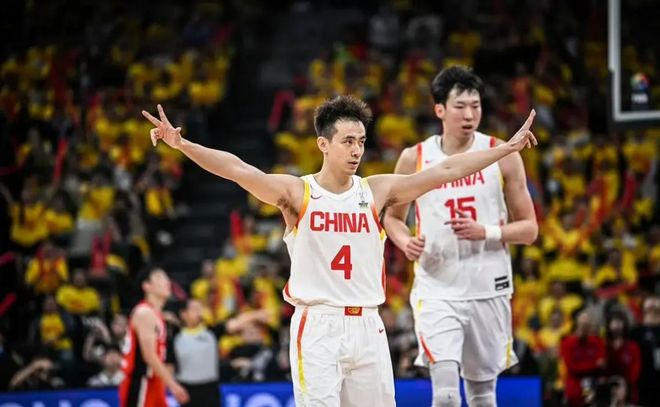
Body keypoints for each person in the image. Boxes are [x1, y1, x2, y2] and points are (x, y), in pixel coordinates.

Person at [143, 96, 537, 406]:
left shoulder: (376, 190)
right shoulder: (299, 192)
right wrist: (182, 144)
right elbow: (238, 169)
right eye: (348, 141)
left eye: (362, 142)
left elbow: (445, 171)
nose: (356, 150)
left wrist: (505, 150)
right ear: (323, 144)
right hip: (319, 324)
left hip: (368, 325)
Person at [383, 65, 538, 407]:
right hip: (436, 288)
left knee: (483, 396)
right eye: (460, 106)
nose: (469, 115)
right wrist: (405, 241)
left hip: (488, 286)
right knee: (447, 396)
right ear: (439, 109)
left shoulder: (503, 154)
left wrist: (488, 232)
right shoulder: (414, 158)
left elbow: (530, 229)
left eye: (476, 106)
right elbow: (392, 219)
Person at [173, 298, 270, 406]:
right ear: (184, 314)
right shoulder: (175, 336)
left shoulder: (210, 332)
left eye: (200, 308)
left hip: (210, 390)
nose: (199, 312)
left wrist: (255, 315)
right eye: (194, 309)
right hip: (186, 390)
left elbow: (235, 323)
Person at [118, 266, 189, 406]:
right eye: (159, 278)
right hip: (140, 382)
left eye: (166, 278)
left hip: (154, 381)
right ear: (147, 286)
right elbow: (149, 356)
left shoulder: (156, 314)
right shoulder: (144, 313)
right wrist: (173, 385)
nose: (167, 282)